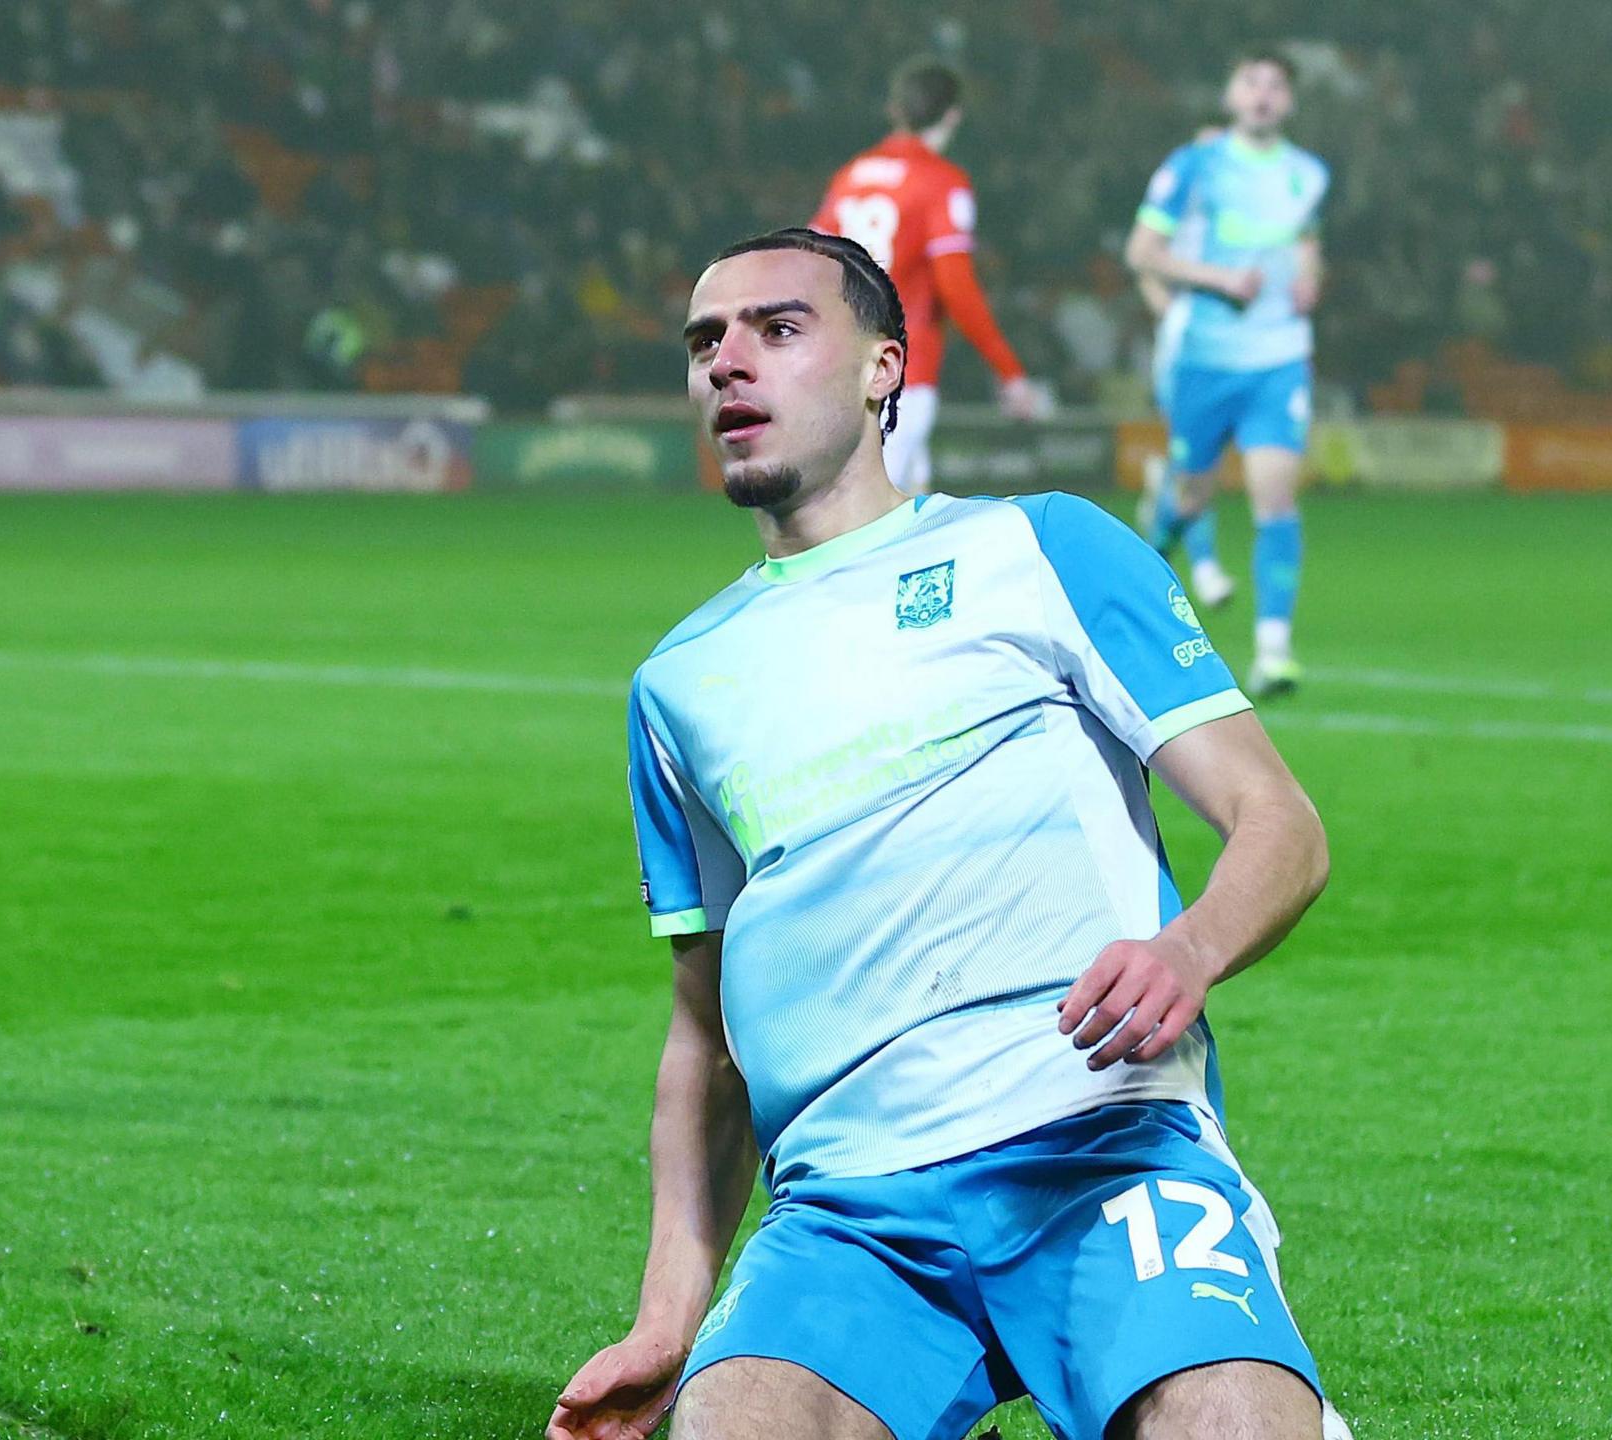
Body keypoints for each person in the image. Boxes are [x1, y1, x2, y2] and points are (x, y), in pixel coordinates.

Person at [549, 228, 1350, 1440]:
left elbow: (1278, 824)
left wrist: (1187, 951)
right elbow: (703, 1040)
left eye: (777, 329)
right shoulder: (678, 684)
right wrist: (667, 1316)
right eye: (705, 342)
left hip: (1103, 1146)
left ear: (883, 369)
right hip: (848, 1216)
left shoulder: (1036, 547)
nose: (727, 364)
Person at [1127, 53, 1328, 698]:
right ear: (1230, 93)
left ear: (1289, 102)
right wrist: (1219, 281)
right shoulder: (1195, 166)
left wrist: (1309, 281)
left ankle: (1274, 651)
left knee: (1276, 497)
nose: (1263, 95)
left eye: (1276, 86)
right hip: (1205, 360)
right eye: (1251, 81)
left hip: (1278, 357)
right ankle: (1144, 569)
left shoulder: (1307, 175)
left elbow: (1307, 247)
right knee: (1190, 499)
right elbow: (1143, 251)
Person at [811, 59, 1049, 497]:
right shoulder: (941, 182)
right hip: (905, 364)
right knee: (870, 520)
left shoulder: (851, 176)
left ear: (894, 110)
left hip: (845, 359)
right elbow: (957, 289)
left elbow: (810, 257)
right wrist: (1009, 371)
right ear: (953, 115)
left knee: (911, 506)